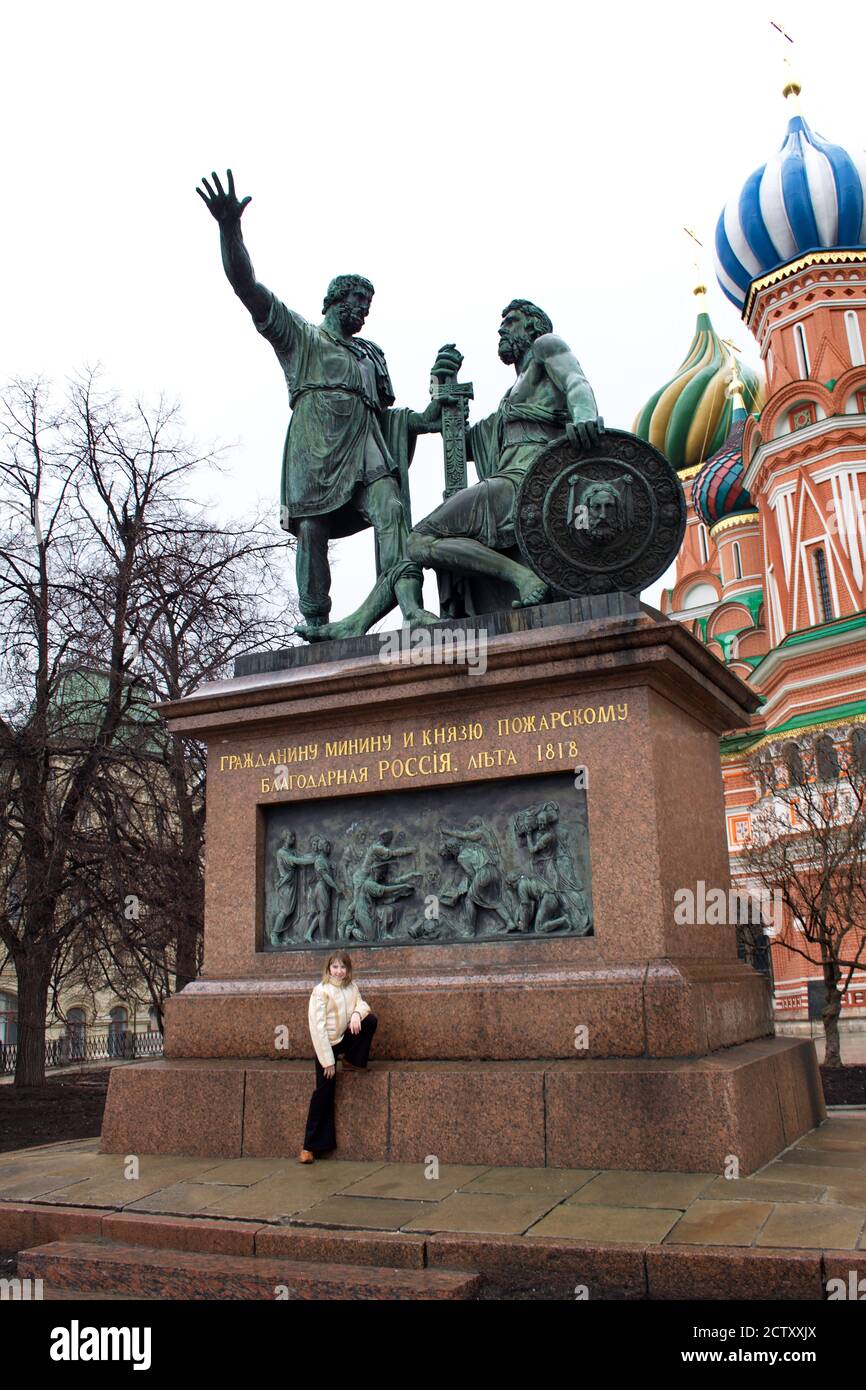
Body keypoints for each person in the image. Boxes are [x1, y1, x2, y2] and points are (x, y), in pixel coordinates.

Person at [196, 169, 456, 640]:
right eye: (357, 299)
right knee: (312, 531)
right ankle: (316, 621)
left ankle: (411, 606)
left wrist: (427, 420)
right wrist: (229, 228)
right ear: (335, 300)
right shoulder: (301, 338)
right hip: (315, 448)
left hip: (366, 448)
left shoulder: (371, 354)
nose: (364, 309)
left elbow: (388, 419)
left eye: (368, 303)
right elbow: (247, 288)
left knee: (391, 509)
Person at [299, 950, 377, 1162]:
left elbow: (362, 1005)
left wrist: (355, 1014)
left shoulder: (352, 988)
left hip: (344, 1038)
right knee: (324, 1092)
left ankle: (353, 1060)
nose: (339, 971)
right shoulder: (320, 991)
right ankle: (309, 1146)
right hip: (327, 1045)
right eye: (335, 967)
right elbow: (318, 1029)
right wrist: (327, 1061)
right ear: (328, 969)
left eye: (343, 967)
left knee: (369, 1020)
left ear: (348, 970)